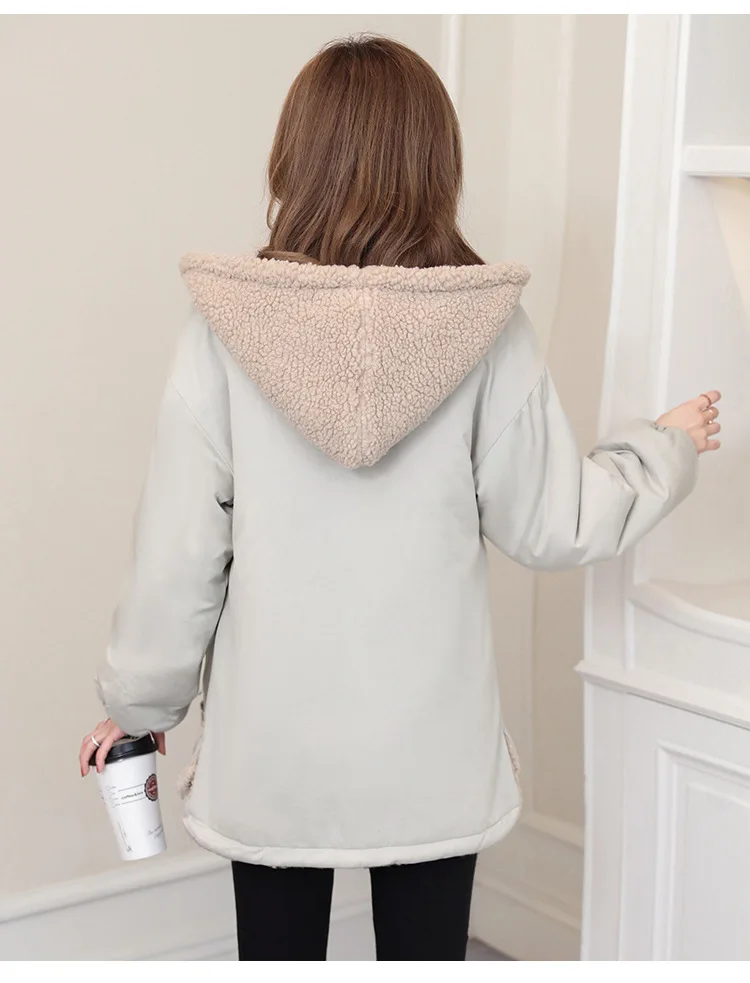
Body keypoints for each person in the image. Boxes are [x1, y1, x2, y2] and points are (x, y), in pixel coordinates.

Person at [78, 34, 721, 961]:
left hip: (273, 752)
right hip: (432, 753)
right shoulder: (487, 329)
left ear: (295, 157)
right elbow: (556, 522)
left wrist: (138, 705)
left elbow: (178, 558)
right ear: (435, 163)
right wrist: (663, 446)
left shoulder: (222, 334)